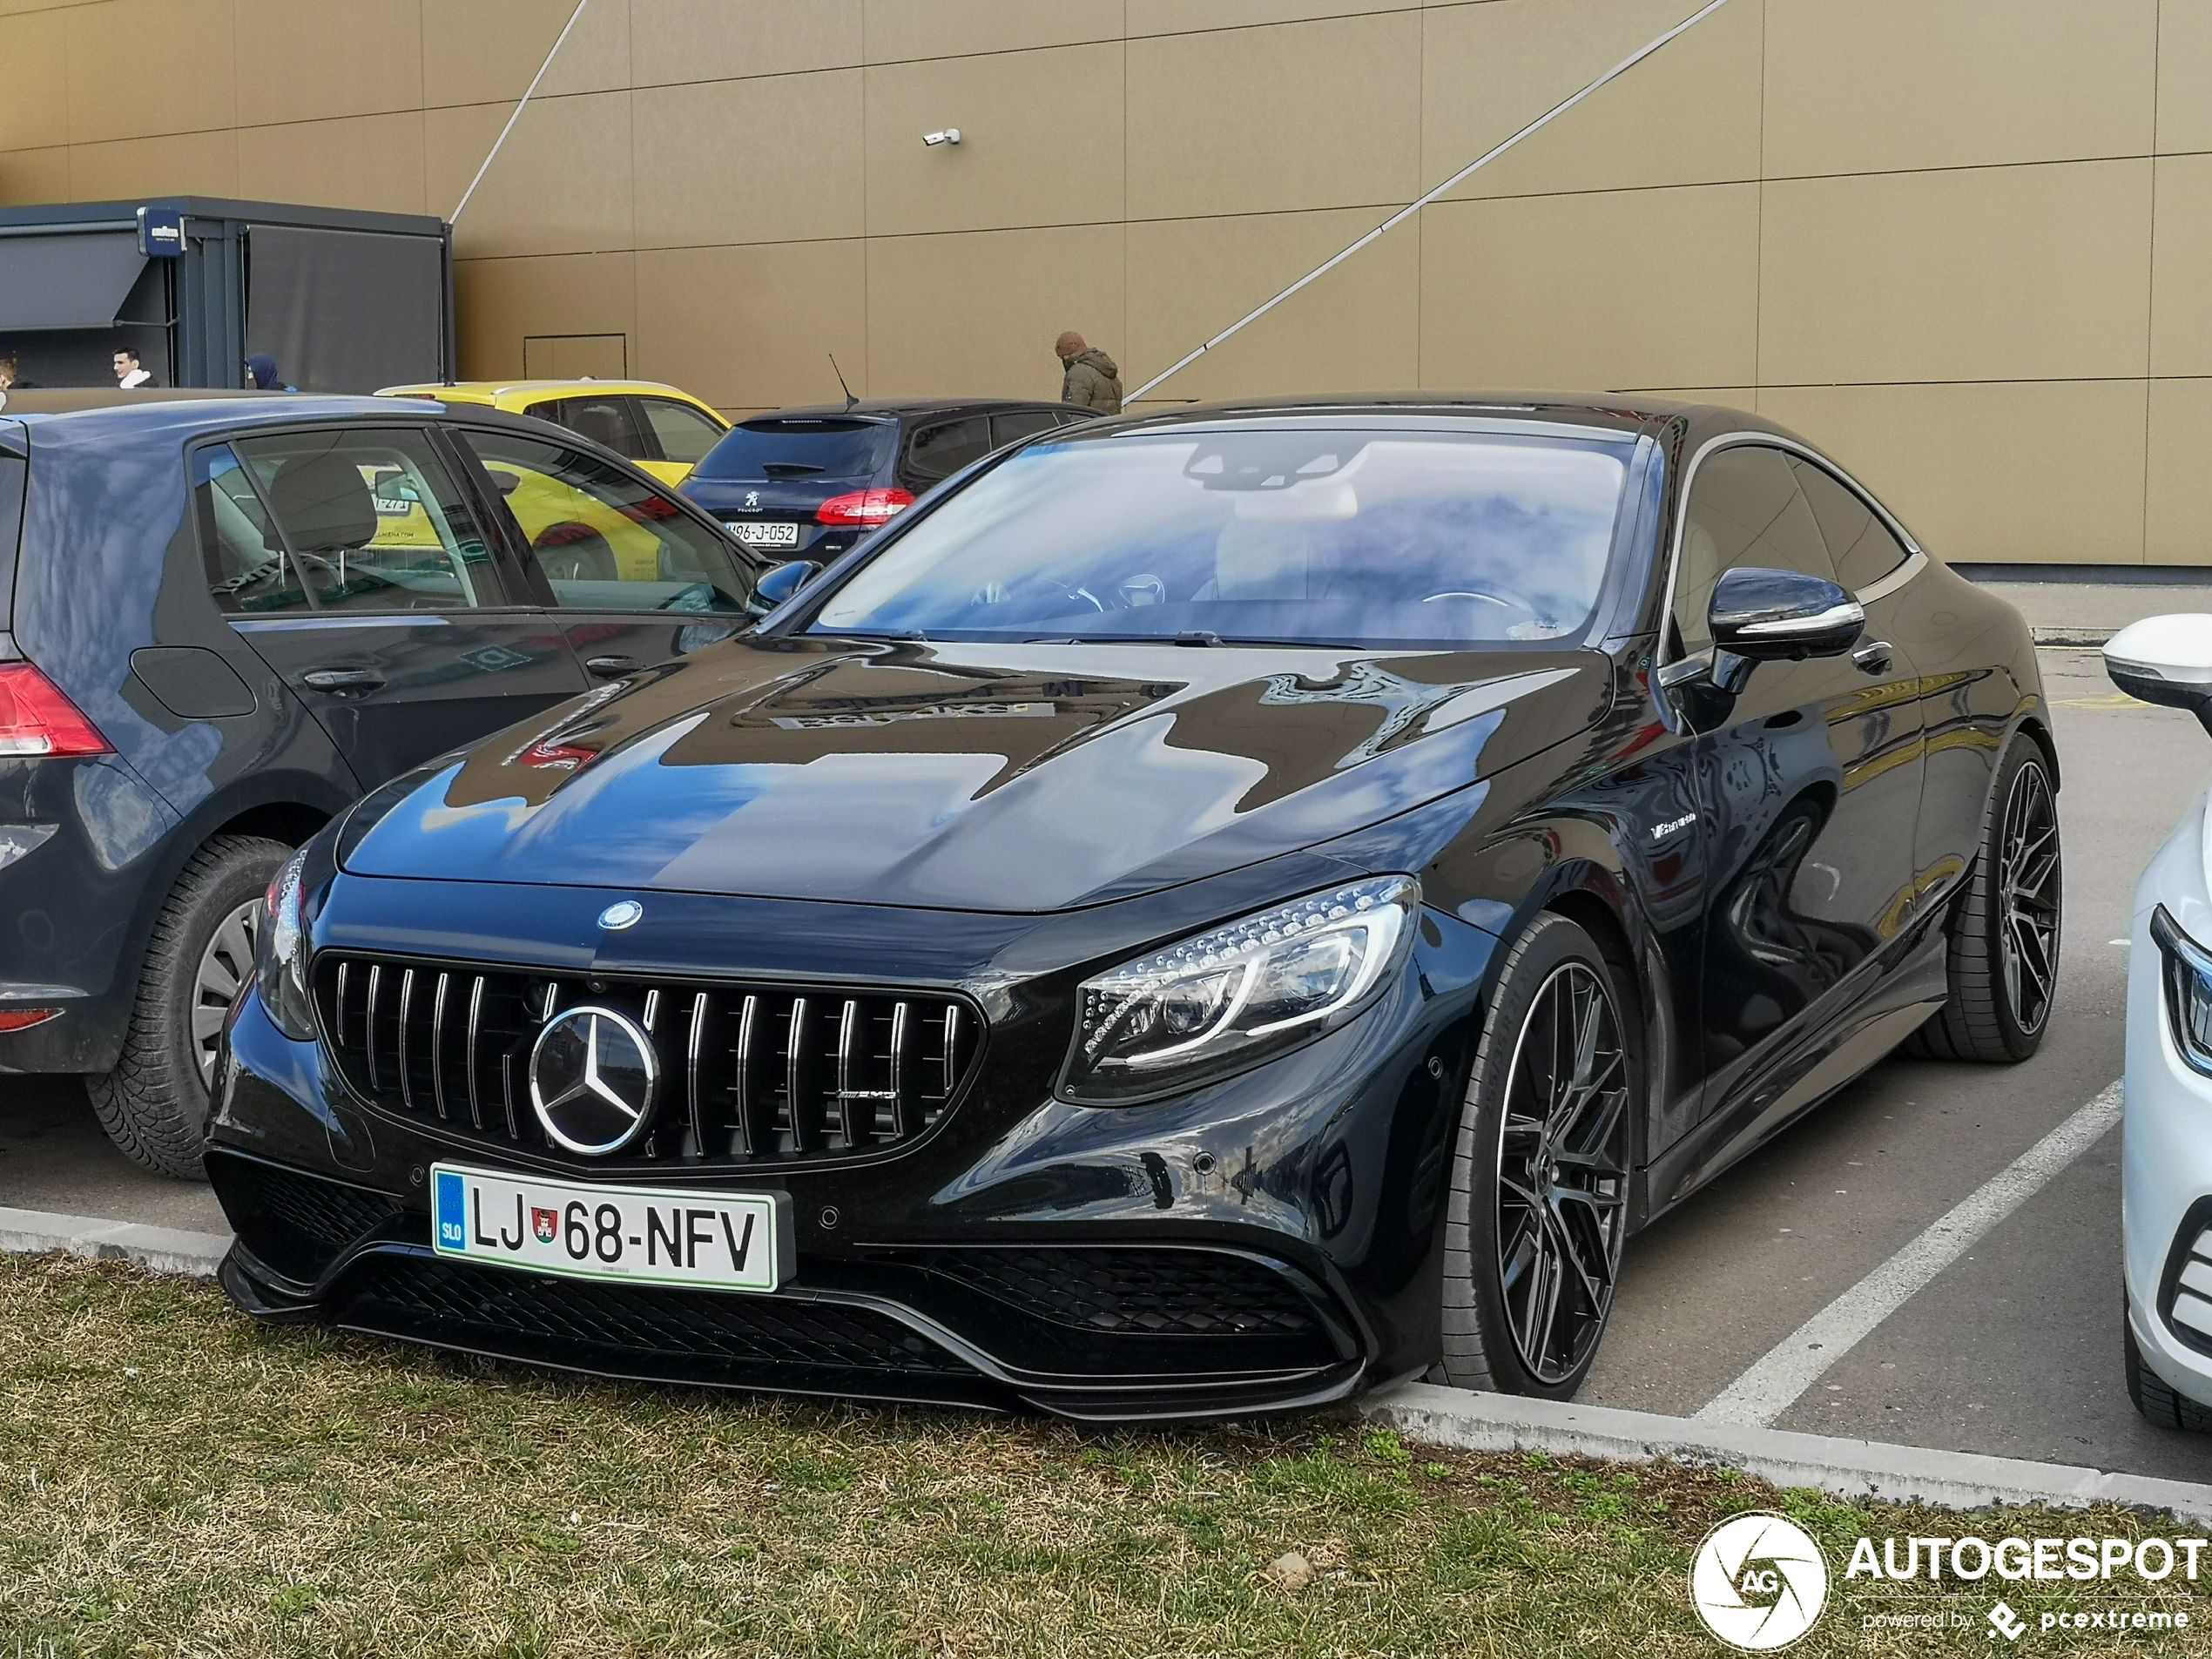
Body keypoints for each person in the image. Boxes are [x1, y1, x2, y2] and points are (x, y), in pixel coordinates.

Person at [1055, 331, 1122, 413]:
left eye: (1062, 357)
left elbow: (1074, 412)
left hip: (1090, 424)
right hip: (1109, 424)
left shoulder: (1079, 372)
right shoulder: (1106, 368)